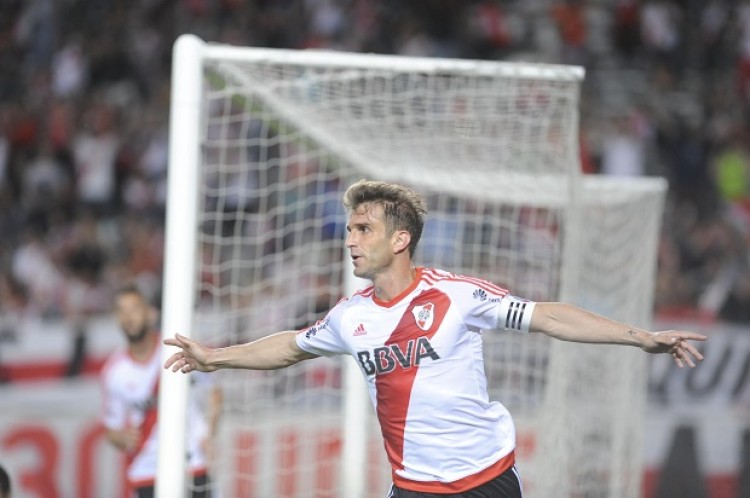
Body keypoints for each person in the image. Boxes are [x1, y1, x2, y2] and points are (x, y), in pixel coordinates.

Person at [164, 179, 707, 498]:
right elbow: (288, 347)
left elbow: (548, 317)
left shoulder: (456, 295)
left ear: (401, 239)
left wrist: (640, 337)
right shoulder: (349, 317)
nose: (350, 240)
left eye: (363, 229)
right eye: (349, 229)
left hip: (487, 480)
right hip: (414, 488)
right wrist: (215, 358)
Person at [102, 284, 220, 498]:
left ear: (150, 313)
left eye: (135, 309)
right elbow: (112, 430)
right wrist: (121, 437)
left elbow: (214, 390)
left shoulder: (177, 350)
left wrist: (208, 434)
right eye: (122, 311)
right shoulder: (114, 371)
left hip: (191, 460)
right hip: (146, 468)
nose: (129, 317)